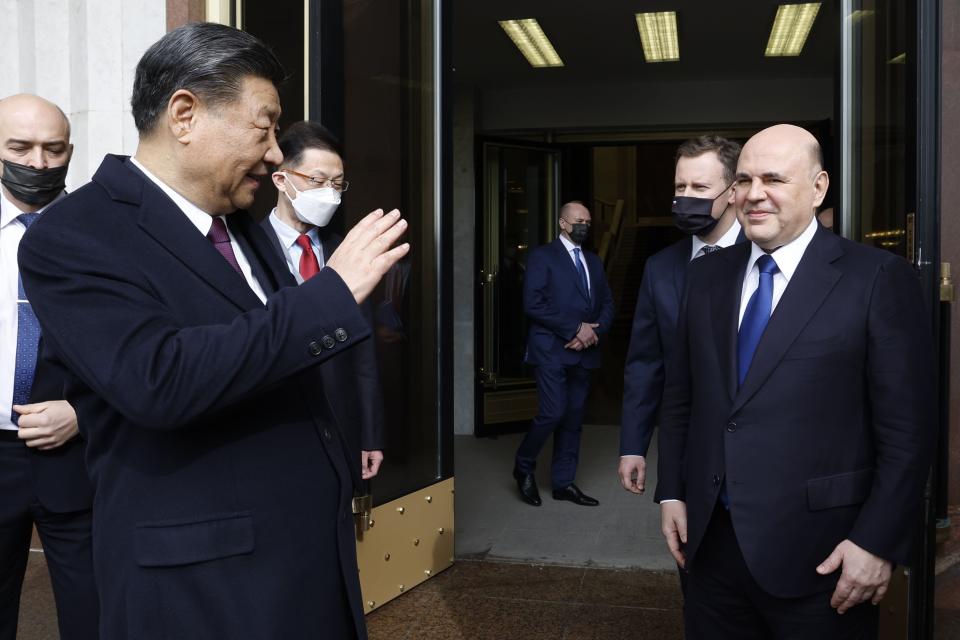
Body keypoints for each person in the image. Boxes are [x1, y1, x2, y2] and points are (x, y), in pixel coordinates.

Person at [17, 23, 408, 640]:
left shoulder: (244, 224)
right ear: (184, 114)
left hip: (303, 565)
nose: (277, 152)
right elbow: (159, 377)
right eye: (265, 126)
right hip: (201, 587)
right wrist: (329, 296)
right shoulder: (73, 235)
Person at [655, 124, 935, 638]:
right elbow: (682, 398)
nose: (753, 194)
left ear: (819, 187)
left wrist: (877, 542)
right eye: (743, 180)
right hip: (711, 552)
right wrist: (671, 491)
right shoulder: (704, 277)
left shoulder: (876, 279)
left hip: (824, 557)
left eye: (774, 179)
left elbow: (908, 432)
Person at [0, 94, 98, 640]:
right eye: (20, 147)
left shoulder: (103, 234)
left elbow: (140, 348)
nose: (38, 162)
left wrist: (83, 413)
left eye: (52, 149)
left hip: (79, 454)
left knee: (95, 615)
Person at [619, 135, 743, 496]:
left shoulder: (766, 257)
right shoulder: (660, 268)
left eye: (700, 186)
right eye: (680, 186)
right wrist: (632, 445)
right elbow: (645, 363)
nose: (685, 196)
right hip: (690, 448)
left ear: (733, 192)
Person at [264, 120, 384, 481]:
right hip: (276, 427)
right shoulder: (248, 250)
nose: (330, 193)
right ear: (282, 180)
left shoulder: (343, 251)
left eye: (337, 184)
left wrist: (370, 434)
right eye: (317, 181)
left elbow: (364, 353)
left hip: (340, 420)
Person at [513, 201, 614, 507]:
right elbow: (533, 303)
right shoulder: (543, 256)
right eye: (578, 220)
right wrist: (575, 329)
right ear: (563, 223)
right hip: (551, 350)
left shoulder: (594, 262)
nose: (584, 225)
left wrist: (592, 333)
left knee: (572, 419)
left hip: (583, 352)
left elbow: (608, 303)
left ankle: (563, 483)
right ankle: (523, 465)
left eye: (588, 221)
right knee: (553, 413)